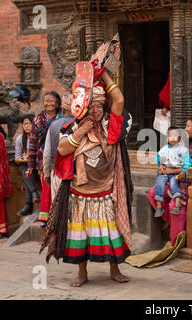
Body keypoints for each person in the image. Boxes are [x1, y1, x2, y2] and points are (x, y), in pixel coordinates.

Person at [40, 69, 134, 288]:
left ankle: (114, 270)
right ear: (81, 107)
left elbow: (118, 99)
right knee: (79, 237)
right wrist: (82, 131)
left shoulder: (110, 128)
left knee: (111, 235)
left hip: (106, 192)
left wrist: (104, 74)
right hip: (79, 195)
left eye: (100, 106)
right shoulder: (71, 128)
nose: (96, 110)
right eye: (91, 106)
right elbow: (62, 150)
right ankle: (82, 274)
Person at [27, 91, 62, 226]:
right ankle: (45, 217)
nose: (49, 103)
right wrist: (31, 164)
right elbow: (33, 141)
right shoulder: (38, 119)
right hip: (43, 158)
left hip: (60, 155)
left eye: (52, 101)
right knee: (46, 187)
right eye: (46, 101)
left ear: (57, 103)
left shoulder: (61, 118)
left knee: (58, 187)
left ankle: (57, 215)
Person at [153, 126, 192, 218]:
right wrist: (160, 165)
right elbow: (158, 158)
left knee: (174, 184)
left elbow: (188, 162)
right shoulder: (164, 149)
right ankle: (159, 206)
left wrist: (185, 170)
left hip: (176, 173)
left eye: (175, 136)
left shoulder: (183, 150)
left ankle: (177, 204)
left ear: (179, 138)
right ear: (167, 138)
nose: (173, 138)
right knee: (159, 184)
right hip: (165, 172)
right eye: (171, 136)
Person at [43, 93, 74, 199]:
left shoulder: (53, 125)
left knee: (57, 209)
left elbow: (47, 153)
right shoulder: (82, 124)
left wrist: (46, 173)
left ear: (63, 110)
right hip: (76, 174)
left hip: (57, 173)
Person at [15, 114, 39, 216]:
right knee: (24, 168)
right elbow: (17, 157)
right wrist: (22, 159)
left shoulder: (39, 136)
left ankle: (28, 204)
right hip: (27, 167)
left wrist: (32, 157)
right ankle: (34, 194)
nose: (26, 126)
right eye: (24, 124)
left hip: (38, 167)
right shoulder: (20, 139)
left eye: (29, 123)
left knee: (26, 175)